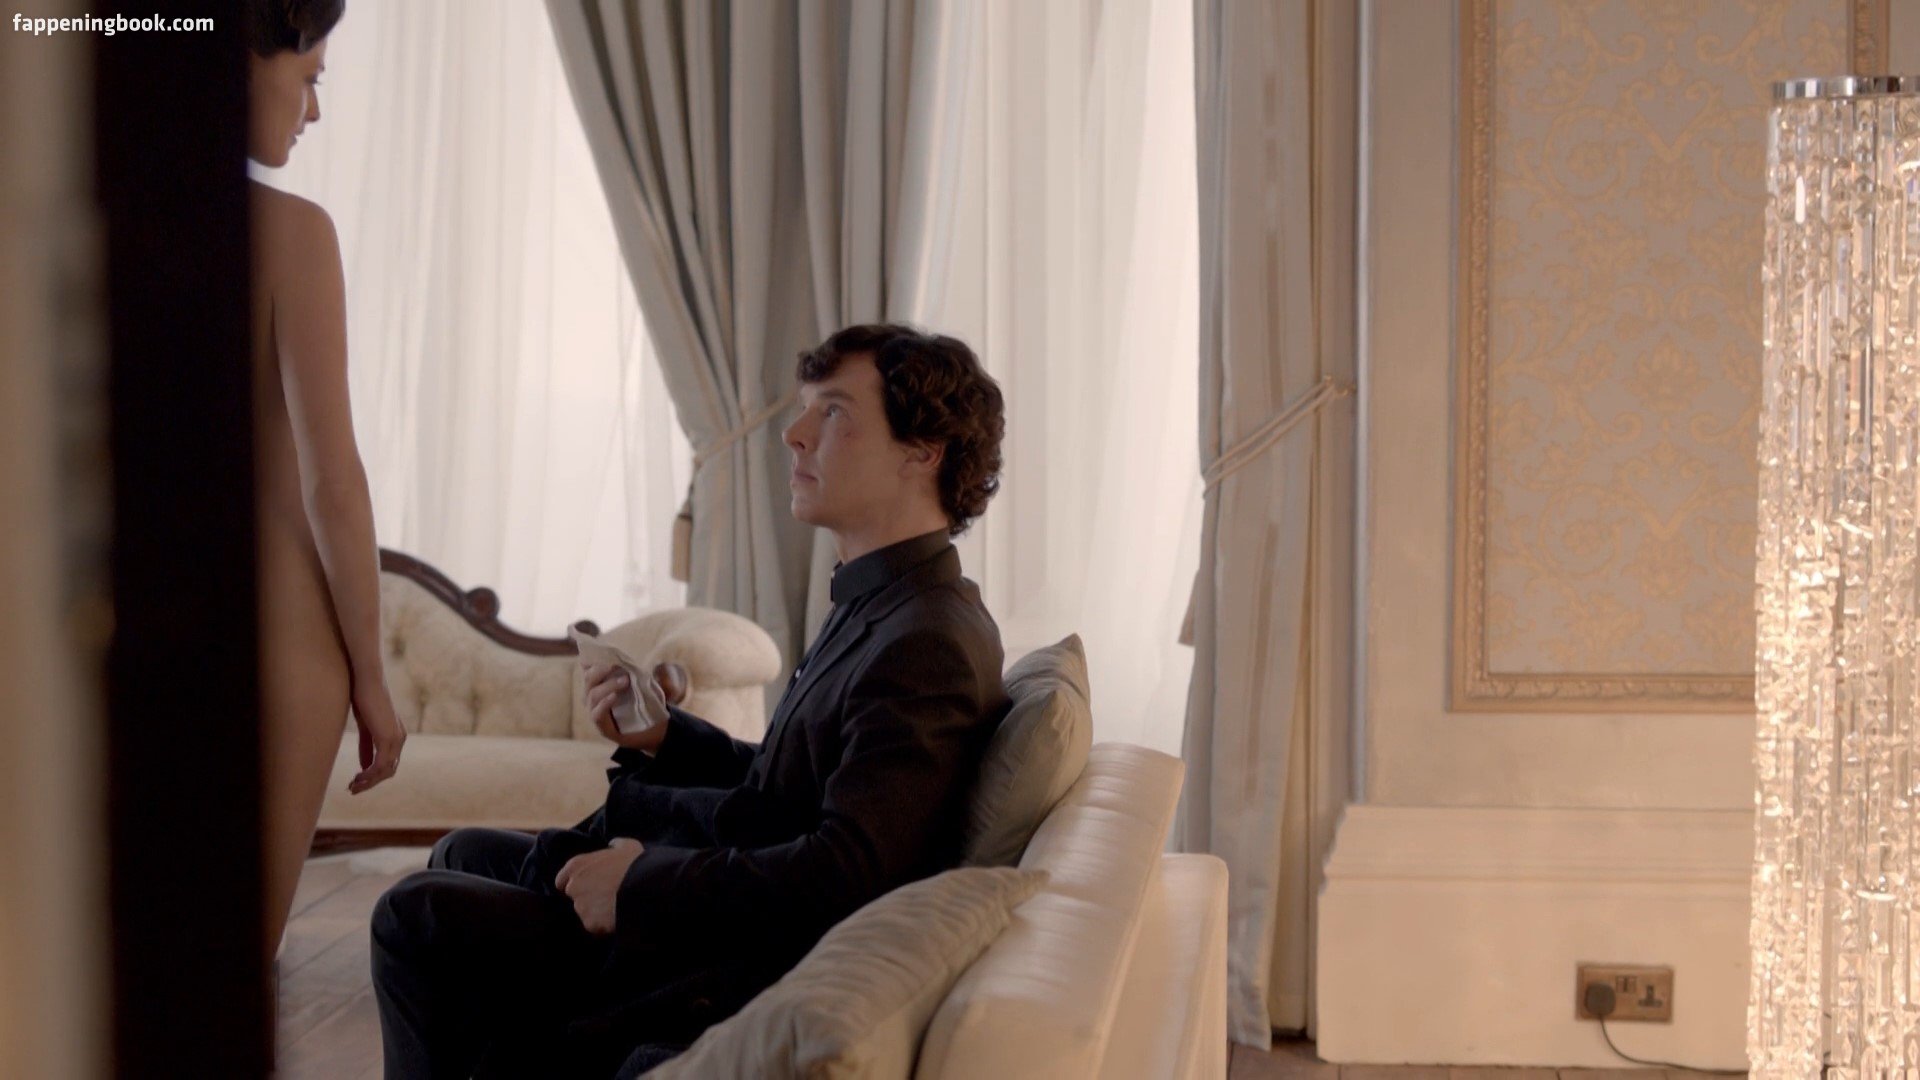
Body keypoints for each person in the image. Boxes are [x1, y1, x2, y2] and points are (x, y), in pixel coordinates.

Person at [370, 324, 1010, 1078]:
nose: (795, 435)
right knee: (465, 851)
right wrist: (664, 736)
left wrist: (640, 883)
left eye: (833, 411)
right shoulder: (886, 603)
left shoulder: (927, 641)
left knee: (413, 915)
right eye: (805, 410)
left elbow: (849, 871)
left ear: (924, 449)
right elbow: (788, 784)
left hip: (735, 960)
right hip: (731, 903)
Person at [247, 0, 407, 968]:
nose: (314, 110)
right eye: (308, 78)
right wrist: (372, 681)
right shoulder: (292, 235)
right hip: (278, 642)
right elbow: (331, 483)